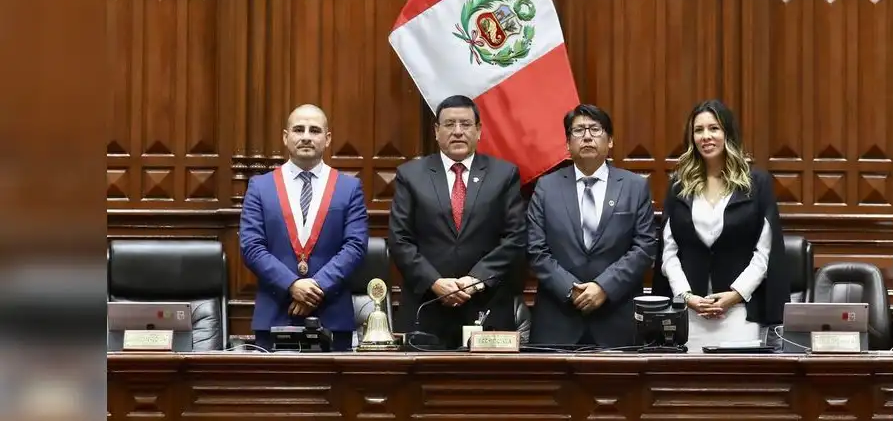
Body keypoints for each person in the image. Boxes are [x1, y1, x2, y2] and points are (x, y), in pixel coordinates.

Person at [388, 95, 525, 348]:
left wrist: (476, 280)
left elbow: (515, 237)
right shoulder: (410, 175)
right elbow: (400, 239)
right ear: (436, 131)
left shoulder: (504, 174)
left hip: (486, 306)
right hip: (426, 307)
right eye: (450, 124)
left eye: (466, 124)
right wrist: (435, 282)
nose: (458, 131)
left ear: (479, 130)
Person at [652, 99, 789, 352]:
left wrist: (735, 295)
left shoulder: (756, 184)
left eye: (714, 128)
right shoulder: (679, 185)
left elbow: (764, 253)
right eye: (699, 130)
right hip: (690, 315)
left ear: (728, 133)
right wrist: (687, 297)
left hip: (740, 314)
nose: (706, 136)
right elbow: (668, 252)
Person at [239, 104, 369, 351]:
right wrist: (292, 284)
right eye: (299, 129)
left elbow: (355, 246)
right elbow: (251, 247)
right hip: (275, 314)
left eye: (314, 130)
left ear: (327, 139)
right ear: (285, 137)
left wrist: (316, 288)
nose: (306, 136)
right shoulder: (260, 187)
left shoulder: (349, 188)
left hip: (332, 315)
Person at [527, 104, 657, 348]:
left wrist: (604, 287)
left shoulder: (634, 186)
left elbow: (644, 247)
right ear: (567, 144)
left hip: (616, 318)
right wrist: (570, 289)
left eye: (595, 129)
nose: (587, 136)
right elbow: (535, 249)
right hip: (558, 320)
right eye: (578, 130)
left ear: (610, 141)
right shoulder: (546, 187)